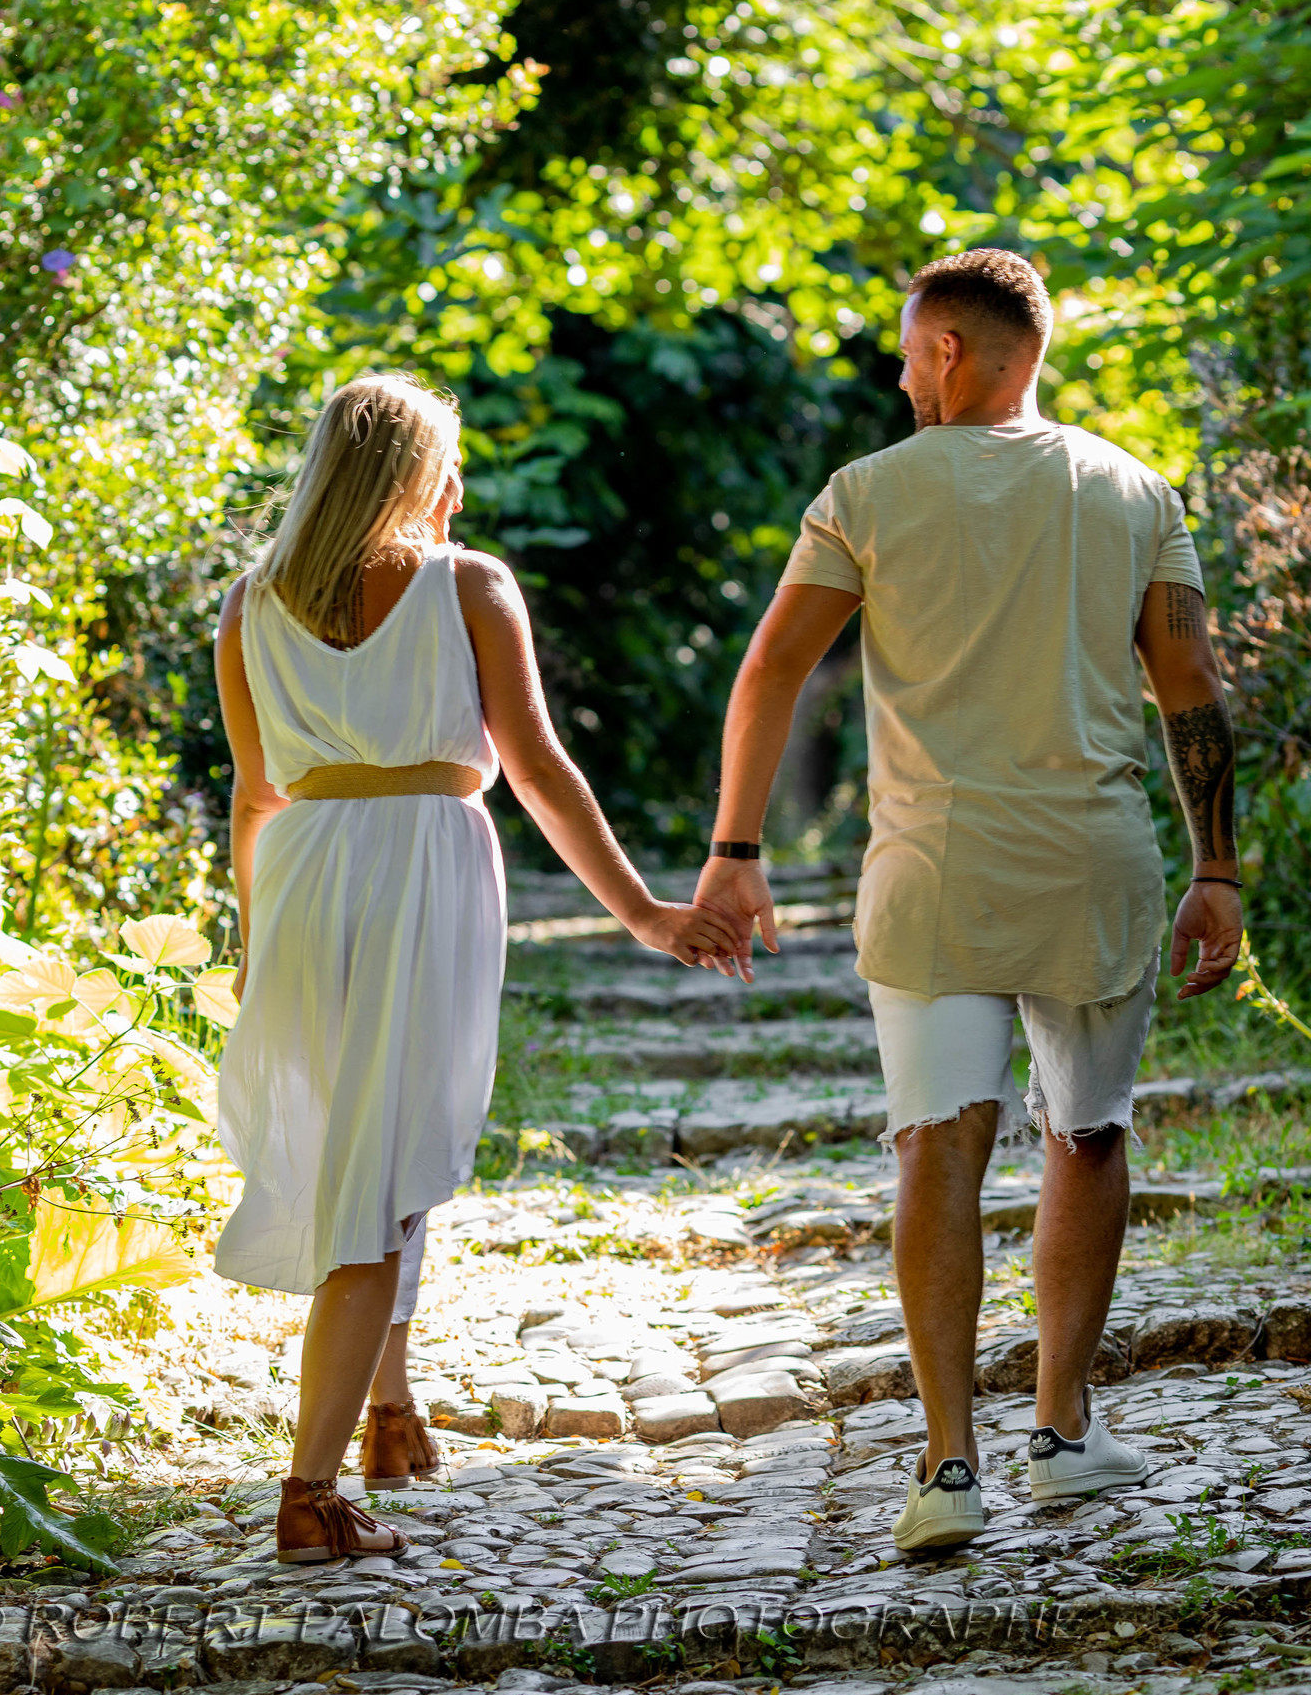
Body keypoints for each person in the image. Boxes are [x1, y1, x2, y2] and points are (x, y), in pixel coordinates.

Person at [694, 248, 1242, 1552]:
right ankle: (1061, 1428)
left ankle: (949, 1465)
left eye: (904, 352)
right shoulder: (1132, 488)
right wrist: (1217, 866)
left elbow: (772, 667)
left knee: (936, 1146)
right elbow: (1194, 691)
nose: (900, 378)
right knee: (1086, 1133)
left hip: (933, 873)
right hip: (1092, 865)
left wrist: (736, 844)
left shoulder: (867, 493)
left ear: (949, 347)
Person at [212, 374, 739, 1563]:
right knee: (376, 1175)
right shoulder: (467, 583)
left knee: (380, 1141)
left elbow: (254, 794)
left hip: (300, 876)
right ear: (419, 478)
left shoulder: (249, 605)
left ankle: (388, 1417)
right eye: (448, 467)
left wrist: (256, 953)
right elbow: (539, 767)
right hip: (421, 869)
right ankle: (308, 1491)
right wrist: (646, 911)